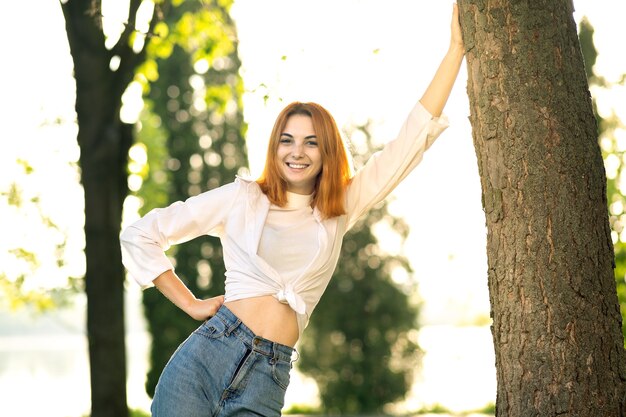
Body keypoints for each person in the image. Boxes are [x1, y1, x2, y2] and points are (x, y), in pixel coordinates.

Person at [121, 4, 465, 416]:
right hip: (203, 361)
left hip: (268, 375)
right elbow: (140, 234)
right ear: (275, 147)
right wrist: (191, 303)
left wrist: (455, 50)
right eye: (287, 140)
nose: (296, 152)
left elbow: (411, 141)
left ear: (327, 151)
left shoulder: (340, 209)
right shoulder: (242, 198)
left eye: (311, 142)